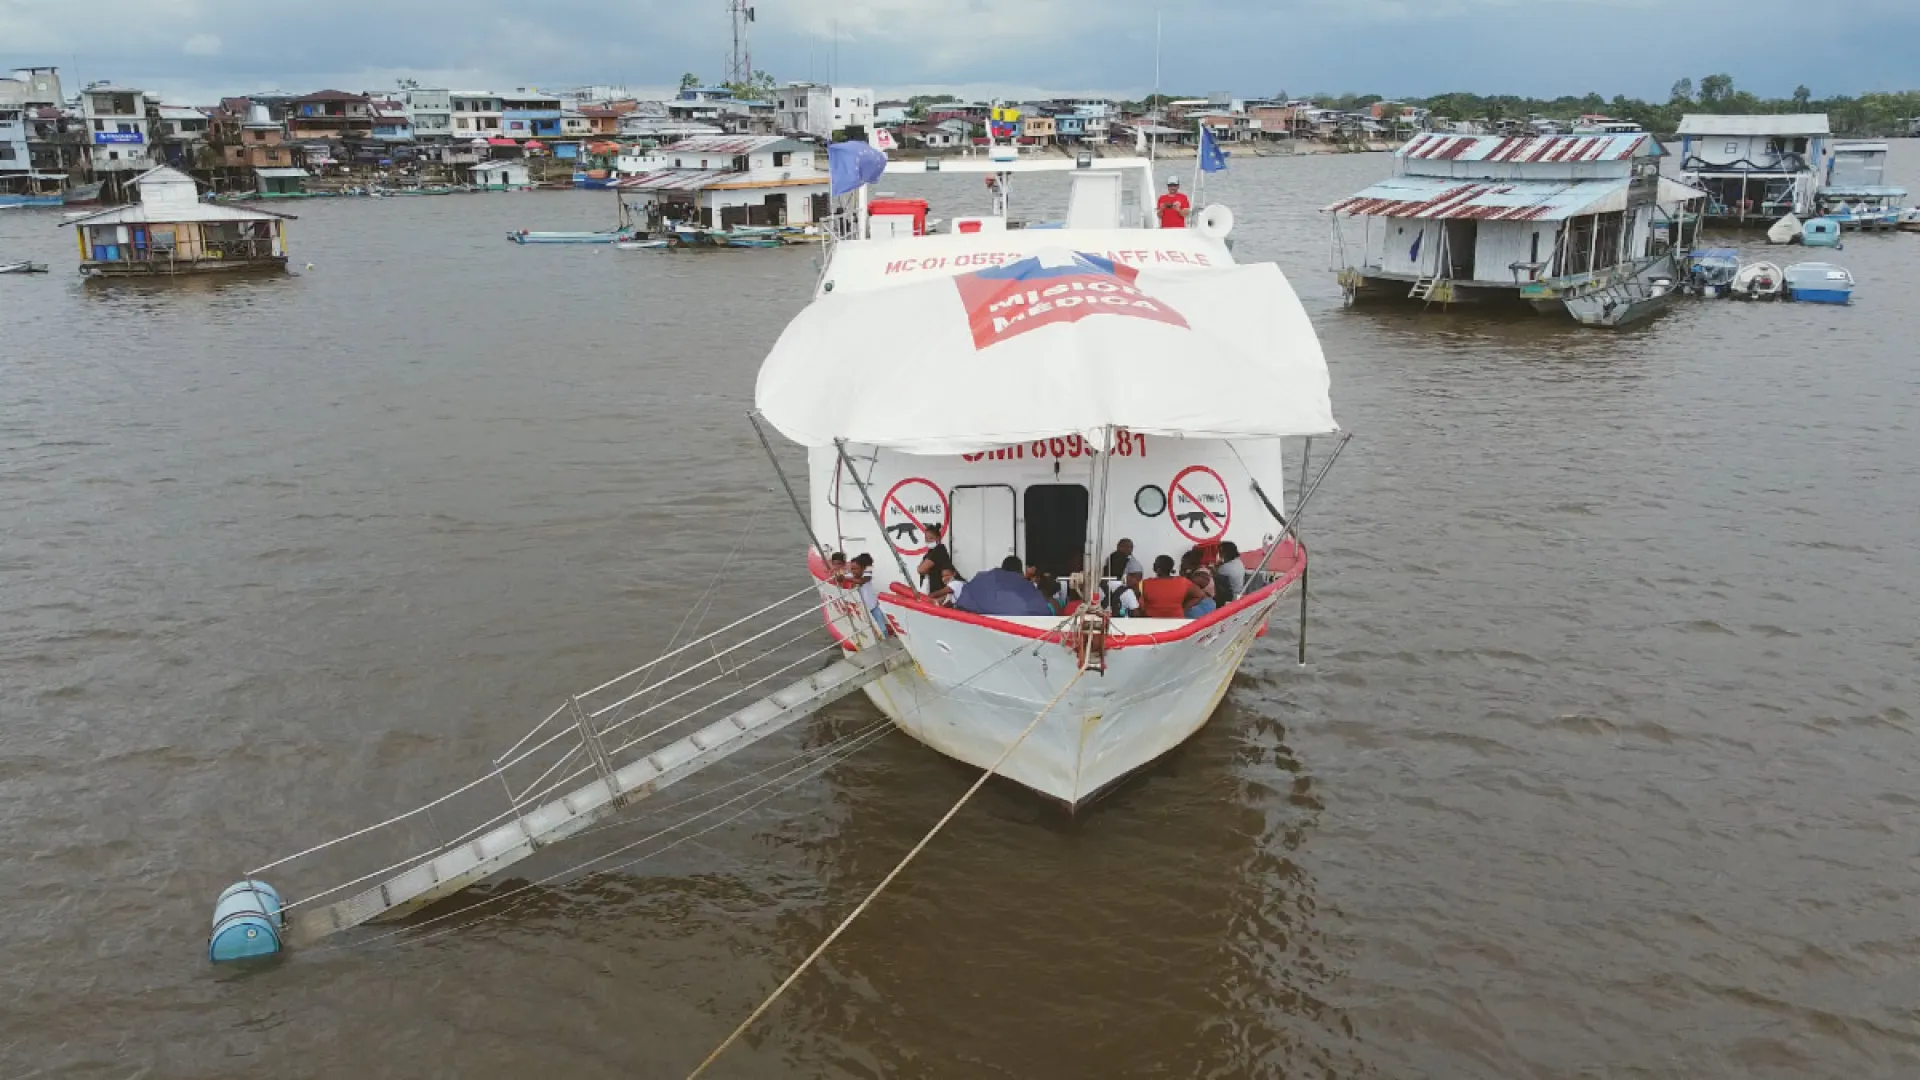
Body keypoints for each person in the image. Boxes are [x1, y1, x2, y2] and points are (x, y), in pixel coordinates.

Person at [955, 555, 1053, 617]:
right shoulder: (1026, 587)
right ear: (1020, 571)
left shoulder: (984, 579)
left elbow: (963, 603)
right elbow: (1042, 612)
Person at [850, 553, 886, 636]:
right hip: (863, 609)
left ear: (863, 568)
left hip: (873, 607)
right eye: (852, 569)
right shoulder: (852, 576)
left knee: (882, 630)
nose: (853, 571)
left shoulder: (867, 575)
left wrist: (848, 579)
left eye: (855, 568)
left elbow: (863, 580)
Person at [917, 523, 954, 594]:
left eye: (931, 538)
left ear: (938, 538)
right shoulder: (931, 551)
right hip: (934, 589)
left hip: (940, 591)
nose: (928, 541)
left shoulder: (939, 550)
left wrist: (927, 568)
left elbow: (921, 569)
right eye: (926, 539)